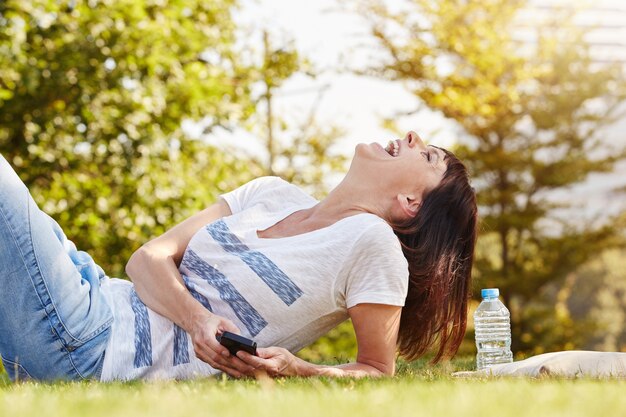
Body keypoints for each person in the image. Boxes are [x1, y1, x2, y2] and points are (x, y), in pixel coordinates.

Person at [0, 131, 477, 381]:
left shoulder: (371, 245)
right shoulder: (271, 192)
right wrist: (196, 318)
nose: (412, 136)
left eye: (428, 156)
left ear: (411, 204)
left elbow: (377, 371)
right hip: (94, 292)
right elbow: (147, 259)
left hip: (96, 348)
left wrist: (298, 368)